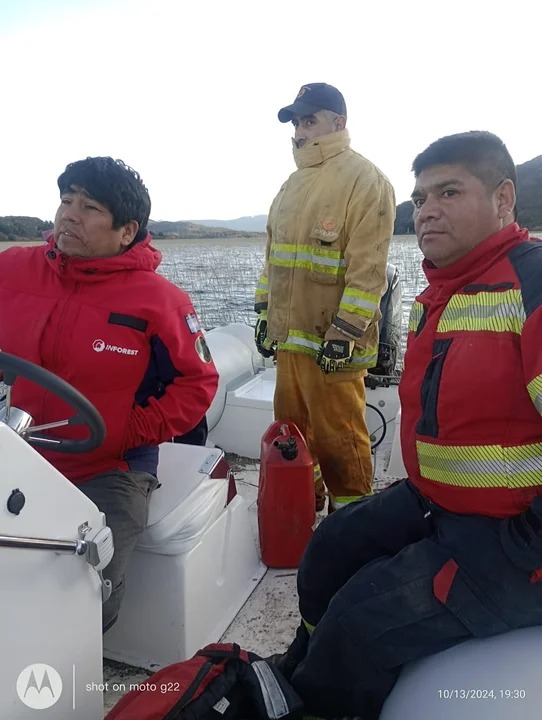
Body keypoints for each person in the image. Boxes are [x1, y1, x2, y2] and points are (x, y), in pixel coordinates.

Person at [270, 131, 542, 719]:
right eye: (420, 199)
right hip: (442, 504)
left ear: (503, 200)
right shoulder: (442, 292)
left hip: (519, 541)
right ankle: (302, 666)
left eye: (449, 192)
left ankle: (324, 702)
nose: (427, 211)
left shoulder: (533, 287)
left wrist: (527, 547)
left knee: (358, 620)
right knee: (328, 552)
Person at [0, 157, 219, 632]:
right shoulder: (11, 271)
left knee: (86, 590)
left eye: (90, 206)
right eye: (65, 200)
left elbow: (198, 382)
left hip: (110, 467)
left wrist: (131, 431)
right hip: (15, 449)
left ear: (127, 231)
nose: (69, 215)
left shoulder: (160, 301)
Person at [254, 83, 396, 511]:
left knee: (340, 437)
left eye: (309, 120)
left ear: (339, 123)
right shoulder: (291, 185)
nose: (300, 130)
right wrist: (264, 315)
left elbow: (368, 268)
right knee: (291, 432)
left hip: (334, 343)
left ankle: (352, 519)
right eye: (297, 121)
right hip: (291, 343)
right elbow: (273, 262)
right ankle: (305, 502)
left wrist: (346, 331)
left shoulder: (365, 180)